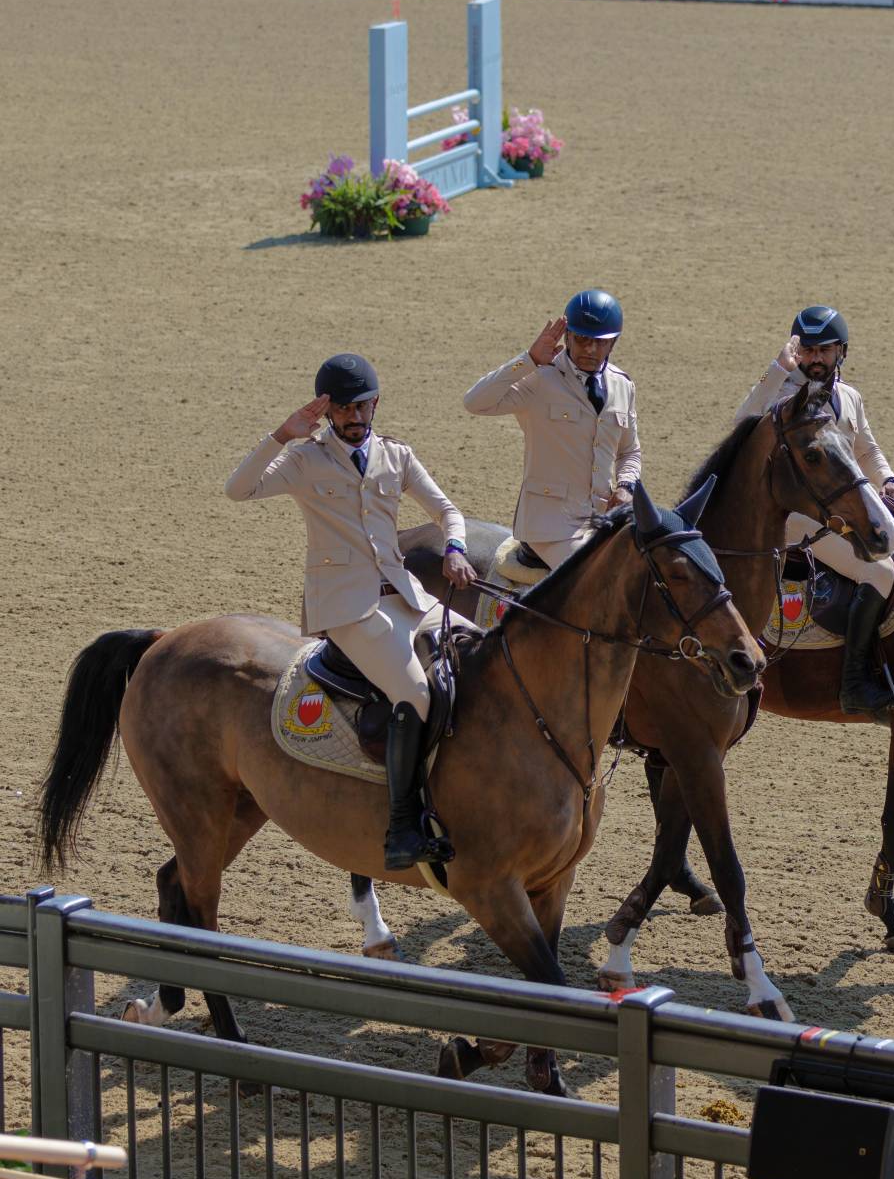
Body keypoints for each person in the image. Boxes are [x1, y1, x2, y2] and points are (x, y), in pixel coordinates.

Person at [225, 353, 475, 872]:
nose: (354, 417)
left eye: (362, 406)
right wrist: (282, 435)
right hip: (348, 608)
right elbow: (239, 489)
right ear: (327, 411)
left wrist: (454, 547)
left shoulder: (395, 455)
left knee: (484, 651)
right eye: (343, 409)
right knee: (414, 691)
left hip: (408, 597)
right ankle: (404, 825)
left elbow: (447, 510)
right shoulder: (304, 459)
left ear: (376, 403)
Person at [734, 307, 894, 719]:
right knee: (879, 572)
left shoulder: (849, 398)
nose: (815, 358)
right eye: (807, 349)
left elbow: (865, 449)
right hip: (794, 517)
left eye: (824, 350)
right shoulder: (782, 397)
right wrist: (778, 368)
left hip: (839, 506)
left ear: (840, 352)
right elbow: (741, 424)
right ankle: (855, 684)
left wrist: (888, 479)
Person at [463, 290, 640, 571]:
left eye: (600, 342)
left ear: (613, 343)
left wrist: (626, 486)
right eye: (582, 339)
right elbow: (475, 402)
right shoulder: (539, 379)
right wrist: (529, 359)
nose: (590, 349)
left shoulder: (623, 386)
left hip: (602, 520)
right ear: (567, 336)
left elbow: (629, 451)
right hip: (548, 526)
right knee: (596, 578)